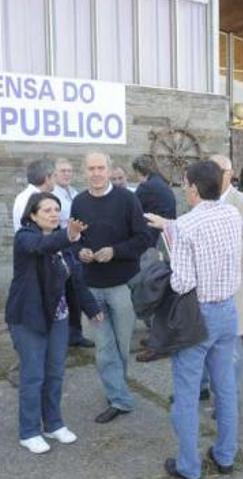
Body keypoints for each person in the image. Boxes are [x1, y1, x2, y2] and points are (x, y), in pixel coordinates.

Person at [144, 161, 243, 479]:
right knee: (225, 387)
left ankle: (189, 466)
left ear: (195, 188)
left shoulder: (187, 225)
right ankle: (226, 455)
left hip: (197, 315)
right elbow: (201, 228)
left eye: (186, 184)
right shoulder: (231, 214)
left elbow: (182, 283)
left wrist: (165, 264)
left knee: (186, 393)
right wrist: (168, 225)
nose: (184, 189)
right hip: (228, 310)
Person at [5, 192, 102, 454]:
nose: (53, 214)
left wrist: (92, 308)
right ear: (33, 215)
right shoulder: (25, 237)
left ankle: (53, 423)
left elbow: (76, 280)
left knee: (55, 373)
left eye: (56, 209)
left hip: (58, 317)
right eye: (46, 210)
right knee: (33, 376)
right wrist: (68, 235)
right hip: (29, 318)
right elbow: (40, 247)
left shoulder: (63, 243)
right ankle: (29, 431)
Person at [71, 152, 153, 424]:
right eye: (91, 168)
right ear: (85, 171)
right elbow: (74, 238)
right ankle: (119, 399)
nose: (96, 173)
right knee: (105, 347)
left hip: (121, 286)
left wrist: (114, 251)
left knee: (121, 345)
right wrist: (80, 250)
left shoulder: (127, 199)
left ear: (109, 170)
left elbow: (143, 238)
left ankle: (116, 387)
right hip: (92, 286)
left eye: (100, 168)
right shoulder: (79, 202)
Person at [210, 154, 243, 340]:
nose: (212, 175)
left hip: (235, 283)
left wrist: (216, 256)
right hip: (207, 289)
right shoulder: (202, 201)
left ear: (230, 174)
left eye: (218, 171)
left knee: (230, 349)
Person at [52, 158, 95, 349]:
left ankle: (75, 334)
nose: (67, 174)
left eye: (69, 171)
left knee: (76, 290)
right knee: (62, 291)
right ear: (54, 174)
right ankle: (61, 336)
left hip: (75, 245)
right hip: (60, 245)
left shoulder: (75, 193)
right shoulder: (53, 195)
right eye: (63, 171)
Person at [12, 159, 54, 232]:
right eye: (54, 176)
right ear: (47, 178)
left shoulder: (24, 196)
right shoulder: (30, 198)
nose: (56, 180)